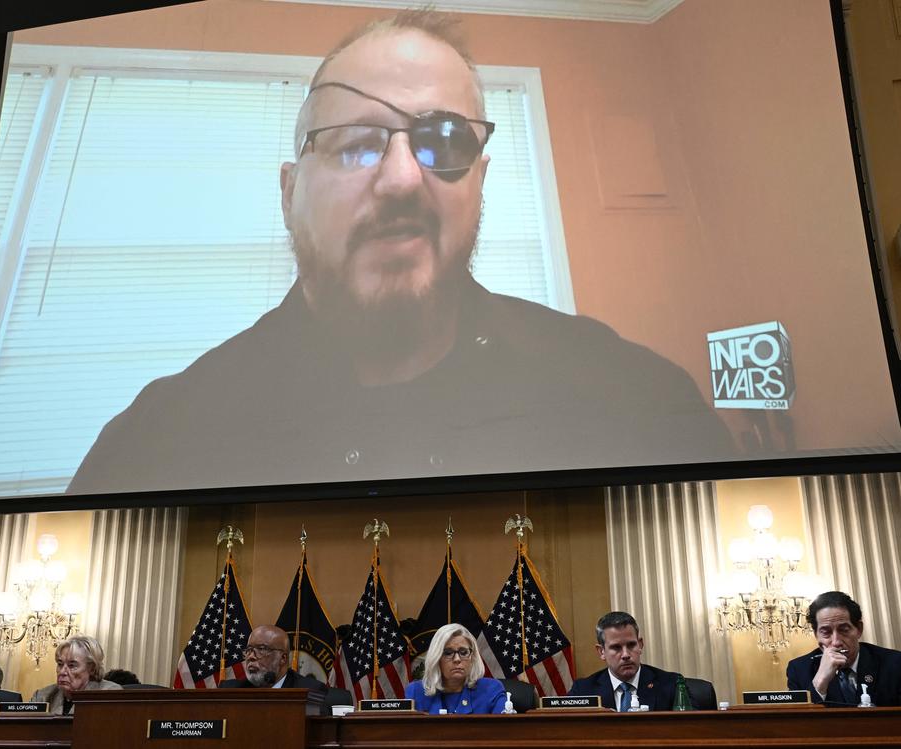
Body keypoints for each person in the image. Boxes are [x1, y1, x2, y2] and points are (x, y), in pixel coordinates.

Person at [67, 9, 732, 496]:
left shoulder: (639, 402)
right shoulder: (155, 443)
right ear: (290, 190)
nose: (403, 178)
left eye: (444, 142)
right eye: (356, 142)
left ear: (479, 180)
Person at [786, 591, 901, 707]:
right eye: (826, 632)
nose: (836, 642)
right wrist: (820, 682)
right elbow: (801, 722)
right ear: (816, 634)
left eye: (844, 630)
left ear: (859, 629)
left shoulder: (895, 663)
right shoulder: (799, 670)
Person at [219, 625, 350, 713]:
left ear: (283, 658)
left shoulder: (310, 692)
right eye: (249, 650)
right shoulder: (229, 692)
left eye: (262, 649)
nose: (251, 657)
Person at [568, 611, 680, 711]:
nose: (626, 655)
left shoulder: (672, 685)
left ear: (640, 645)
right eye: (616, 647)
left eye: (631, 645)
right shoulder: (583, 690)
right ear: (602, 651)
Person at [404, 622, 505, 714]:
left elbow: (506, 731)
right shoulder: (416, 692)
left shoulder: (491, 690)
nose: (457, 659)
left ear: (472, 657)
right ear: (436, 658)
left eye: (464, 652)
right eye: (448, 653)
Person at [29, 635, 122, 714]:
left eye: (72, 666)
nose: (62, 672)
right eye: (60, 664)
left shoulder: (109, 695)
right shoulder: (43, 696)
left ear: (92, 668)